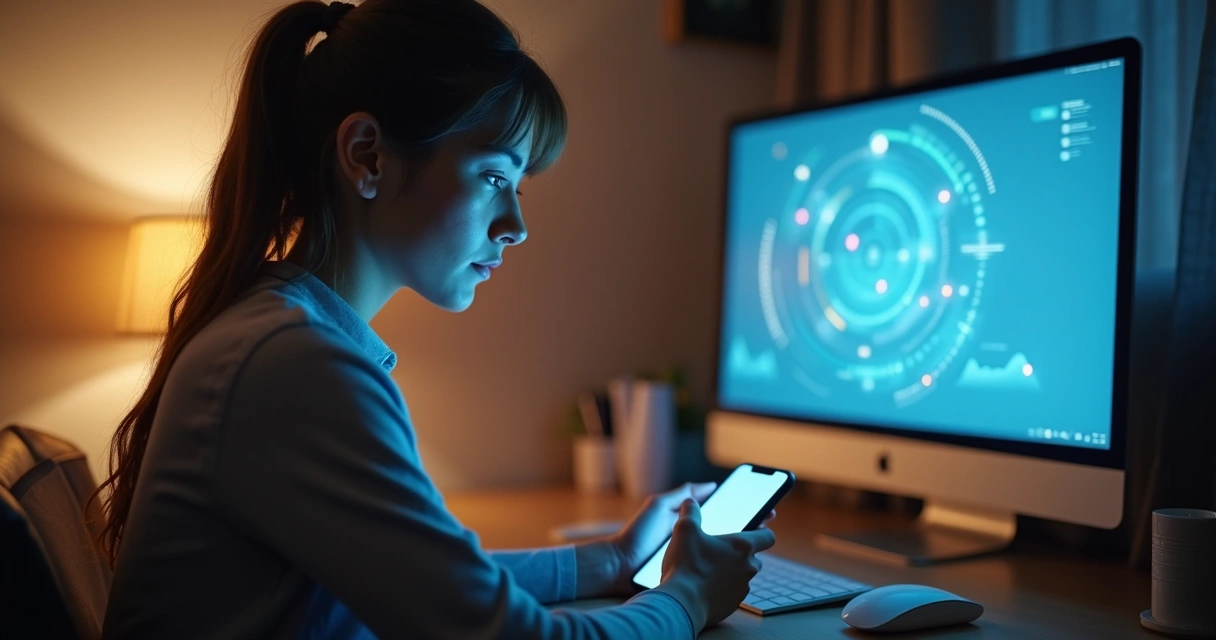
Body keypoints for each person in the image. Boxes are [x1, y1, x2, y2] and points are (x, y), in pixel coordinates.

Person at [93, 1, 775, 638]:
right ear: (367, 156)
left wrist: (613, 560)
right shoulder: (293, 365)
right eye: (494, 177)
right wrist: (686, 597)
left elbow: (432, 582)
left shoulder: (285, 339)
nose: (516, 226)